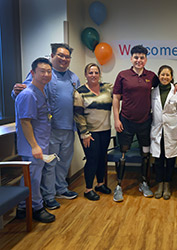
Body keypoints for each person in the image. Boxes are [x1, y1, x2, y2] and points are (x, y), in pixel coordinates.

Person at [12, 43, 80, 210]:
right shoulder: (44, 75)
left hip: (68, 128)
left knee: (64, 162)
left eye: (67, 56)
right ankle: (48, 196)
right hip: (50, 130)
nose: (64, 59)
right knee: (49, 166)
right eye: (60, 55)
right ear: (52, 56)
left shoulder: (74, 78)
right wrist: (14, 91)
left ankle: (61, 189)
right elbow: (22, 93)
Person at [112, 45, 177, 202]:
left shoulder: (151, 76)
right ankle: (119, 186)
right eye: (136, 57)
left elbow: (166, 81)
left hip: (145, 123)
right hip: (126, 122)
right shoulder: (122, 75)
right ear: (131, 58)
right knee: (123, 154)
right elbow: (116, 98)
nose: (139, 60)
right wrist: (116, 119)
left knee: (145, 155)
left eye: (142, 57)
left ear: (145, 59)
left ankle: (144, 183)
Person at [15, 57, 55, 223]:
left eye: (48, 71)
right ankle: (37, 208)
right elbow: (25, 122)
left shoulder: (42, 91)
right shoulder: (29, 94)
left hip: (41, 142)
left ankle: (23, 208)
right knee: (33, 178)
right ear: (32, 73)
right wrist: (34, 146)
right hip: (33, 145)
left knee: (31, 176)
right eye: (42, 71)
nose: (46, 74)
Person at [74, 63, 113, 201]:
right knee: (92, 159)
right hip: (89, 132)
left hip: (105, 130)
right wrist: (84, 133)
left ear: (100, 74)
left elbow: (124, 92)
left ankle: (100, 184)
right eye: (90, 73)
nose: (93, 75)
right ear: (85, 75)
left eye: (96, 72)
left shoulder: (108, 88)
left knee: (102, 158)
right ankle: (88, 189)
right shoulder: (80, 92)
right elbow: (78, 115)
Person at [150, 65, 177, 200]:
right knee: (158, 160)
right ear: (159, 76)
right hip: (157, 130)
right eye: (162, 74)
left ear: (171, 77)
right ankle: (160, 184)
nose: (165, 77)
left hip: (172, 130)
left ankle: (168, 185)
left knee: (170, 160)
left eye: (167, 75)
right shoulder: (153, 92)